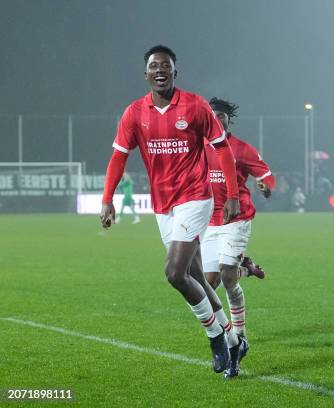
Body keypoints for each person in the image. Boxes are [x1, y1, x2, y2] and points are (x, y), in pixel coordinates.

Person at [99, 45, 240, 375]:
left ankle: (216, 337)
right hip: (163, 205)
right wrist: (107, 199)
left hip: (194, 197)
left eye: (166, 65)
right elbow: (119, 156)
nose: (159, 70)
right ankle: (235, 340)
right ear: (145, 74)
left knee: (174, 273)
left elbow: (222, 149)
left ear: (176, 72)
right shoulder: (135, 113)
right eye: (153, 66)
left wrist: (231, 194)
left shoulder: (194, 106)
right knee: (193, 276)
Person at [201, 97, 275, 378]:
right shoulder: (199, 146)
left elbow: (266, 175)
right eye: (213, 116)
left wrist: (266, 187)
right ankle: (246, 268)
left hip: (237, 217)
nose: (218, 120)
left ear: (229, 120)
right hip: (209, 220)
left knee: (225, 275)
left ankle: (239, 337)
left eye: (222, 116)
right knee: (209, 284)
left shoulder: (241, 149)